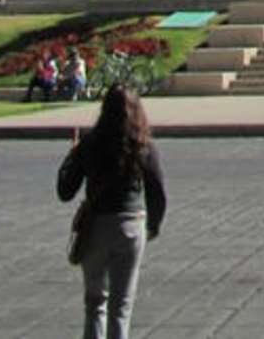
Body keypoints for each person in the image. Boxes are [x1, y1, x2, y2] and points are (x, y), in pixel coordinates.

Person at [58, 86, 166, 339]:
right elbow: (157, 191)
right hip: (131, 223)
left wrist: (71, 156)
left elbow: (65, 190)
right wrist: (154, 225)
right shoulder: (143, 145)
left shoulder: (90, 143)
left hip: (96, 225)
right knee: (121, 306)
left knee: (95, 303)